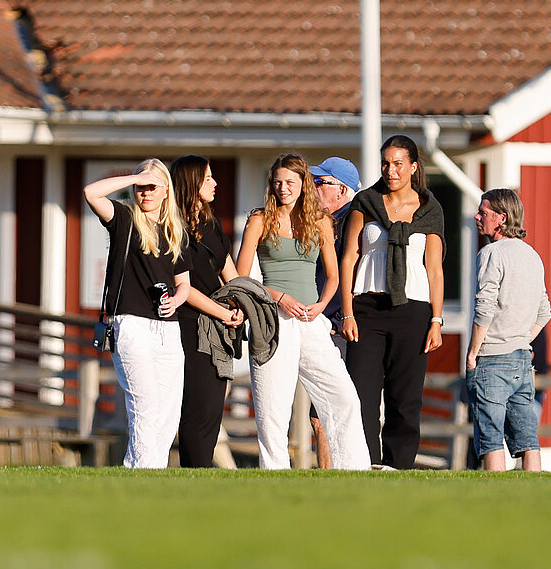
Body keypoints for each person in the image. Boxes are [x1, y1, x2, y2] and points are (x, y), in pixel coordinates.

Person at [236, 154, 369, 470]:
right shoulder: (259, 220)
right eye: (278, 182)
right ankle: (275, 475)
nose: (283, 188)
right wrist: (279, 297)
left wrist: (322, 305)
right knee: (273, 409)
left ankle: (353, 469)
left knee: (343, 397)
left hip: (312, 322)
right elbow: (240, 278)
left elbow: (335, 276)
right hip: (273, 321)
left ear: (302, 185)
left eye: (290, 182)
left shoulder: (321, 221)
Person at [340, 135, 447, 470]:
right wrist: (347, 312)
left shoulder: (430, 209)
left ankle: (398, 467)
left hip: (413, 312)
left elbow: (434, 269)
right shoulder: (365, 202)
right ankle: (365, 464)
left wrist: (437, 320)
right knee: (362, 395)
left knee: (405, 398)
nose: (390, 170)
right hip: (367, 310)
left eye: (398, 163)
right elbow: (349, 258)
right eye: (385, 163)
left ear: (413, 167)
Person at [84, 159, 193, 469]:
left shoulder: (175, 231)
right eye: (140, 186)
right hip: (131, 324)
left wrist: (176, 300)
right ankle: (145, 473)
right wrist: (135, 176)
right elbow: (91, 193)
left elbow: (183, 283)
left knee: (168, 411)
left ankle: (142, 473)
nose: (145, 191)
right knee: (144, 406)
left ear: (166, 192)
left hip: (168, 328)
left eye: (152, 186)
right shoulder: (124, 218)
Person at [167, 156, 247, 468]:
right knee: (197, 407)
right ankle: (193, 471)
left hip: (221, 326)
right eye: (208, 178)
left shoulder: (210, 224)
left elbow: (231, 273)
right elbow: (184, 287)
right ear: (192, 184)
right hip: (190, 326)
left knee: (214, 405)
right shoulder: (174, 228)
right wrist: (221, 312)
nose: (215, 184)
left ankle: (201, 474)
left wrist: (239, 304)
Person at [465, 188, 551, 472]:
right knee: (528, 438)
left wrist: (473, 352)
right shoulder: (533, 256)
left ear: (501, 218)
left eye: (483, 212)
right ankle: (535, 498)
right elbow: (544, 312)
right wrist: (522, 339)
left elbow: (485, 307)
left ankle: (494, 500)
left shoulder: (490, 253)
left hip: (491, 359)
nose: (477, 217)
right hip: (522, 359)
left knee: (490, 438)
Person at [307, 155, 362, 467]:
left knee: (326, 412)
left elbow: (348, 275)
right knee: (322, 413)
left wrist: (338, 316)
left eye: (320, 182)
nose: (313, 188)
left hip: (336, 325)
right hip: (321, 321)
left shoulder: (350, 224)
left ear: (341, 190)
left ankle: (333, 476)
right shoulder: (322, 224)